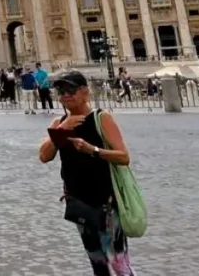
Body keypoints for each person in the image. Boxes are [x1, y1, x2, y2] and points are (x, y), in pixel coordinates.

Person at [38, 71, 136, 276]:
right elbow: (44, 156)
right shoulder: (58, 123)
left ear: (85, 93)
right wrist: (62, 130)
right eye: (61, 91)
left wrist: (93, 150)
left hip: (106, 203)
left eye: (71, 90)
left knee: (118, 263)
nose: (66, 95)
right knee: (97, 262)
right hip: (78, 203)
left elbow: (124, 157)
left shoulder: (101, 119)